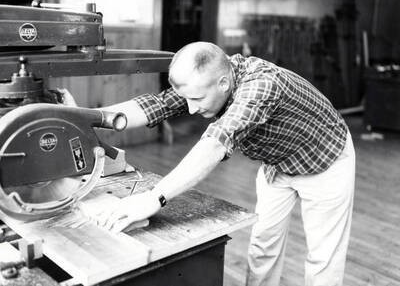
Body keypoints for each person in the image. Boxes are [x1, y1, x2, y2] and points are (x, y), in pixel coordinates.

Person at [95, 41, 355, 286]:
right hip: (278, 163)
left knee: (323, 257)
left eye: (197, 100)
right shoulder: (208, 79)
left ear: (223, 83)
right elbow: (157, 105)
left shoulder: (261, 84)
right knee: (264, 246)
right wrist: (87, 118)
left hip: (324, 160)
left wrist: (154, 198)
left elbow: (216, 143)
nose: (191, 109)